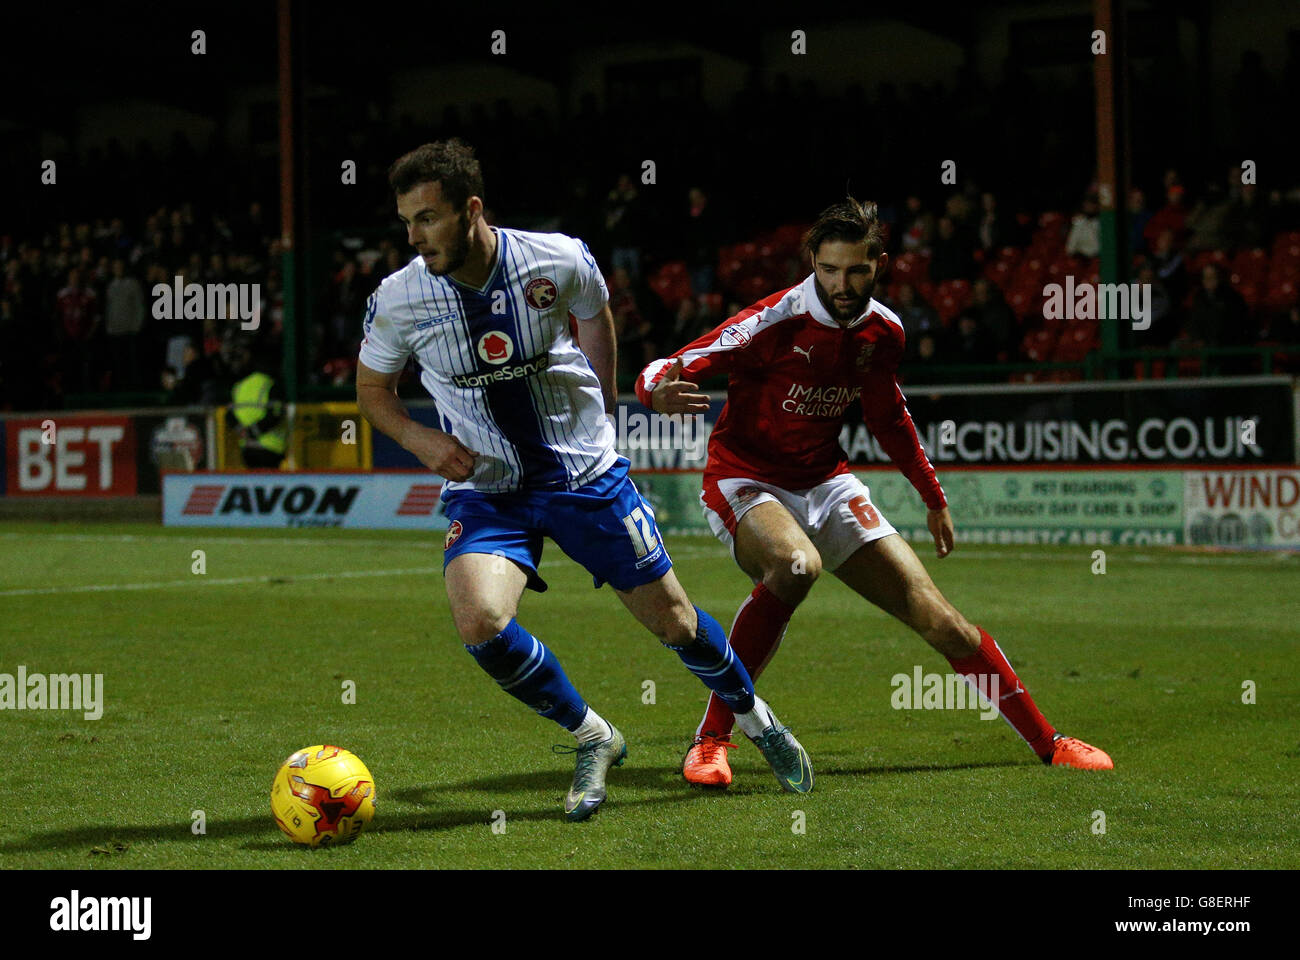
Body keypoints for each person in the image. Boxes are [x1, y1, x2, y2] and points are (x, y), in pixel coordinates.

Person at [354, 140, 812, 821]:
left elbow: (595, 315)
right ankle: (591, 735)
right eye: (407, 221)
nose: (414, 237)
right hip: (488, 487)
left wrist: (602, 398)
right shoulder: (399, 298)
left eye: (427, 218)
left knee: (678, 623)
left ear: (470, 209)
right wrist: (420, 439)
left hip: (582, 477)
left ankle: (756, 718)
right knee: (480, 621)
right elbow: (372, 388)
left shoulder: (557, 257)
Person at [636, 198, 1113, 788]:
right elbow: (671, 364)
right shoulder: (775, 320)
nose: (842, 283)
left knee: (944, 624)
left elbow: (889, 417)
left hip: (828, 484)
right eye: (830, 269)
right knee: (794, 564)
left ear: (878, 265)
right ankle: (712, 739)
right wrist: (656, 390)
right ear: (813, 261)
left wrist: (932, 496)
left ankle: (1049, 741)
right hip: (746, 480)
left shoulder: (883, 331)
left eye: (856, 270)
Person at [227, 360, 287, 469]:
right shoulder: (271, 386)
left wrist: (243, 431)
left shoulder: (239, 386)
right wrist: (253, 431)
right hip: (270, 448)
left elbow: (229, 415)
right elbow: (275, 415)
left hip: (247, 447)